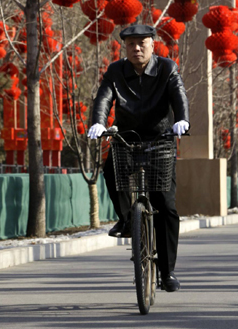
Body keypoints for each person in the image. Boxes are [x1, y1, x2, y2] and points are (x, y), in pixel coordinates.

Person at [88, 24, 190, 292]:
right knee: (111, 172)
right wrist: (99, 122)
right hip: (128, 138)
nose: (136, 48)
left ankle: (167, 272)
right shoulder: (115, 71)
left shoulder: (167, 68)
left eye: (141, 43)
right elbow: (103, 99)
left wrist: (182, 120)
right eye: (131, 43)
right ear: (125, 47)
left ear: (152, 45)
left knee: (165, 205)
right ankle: (126, 219)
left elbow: (179, 95)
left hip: (160, 140)